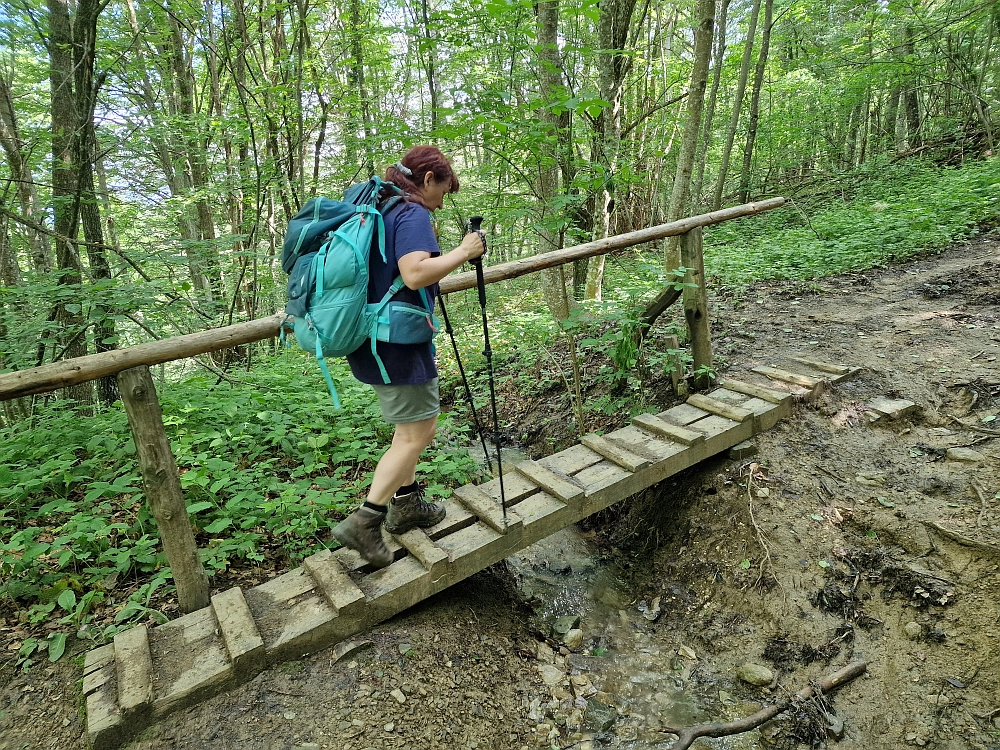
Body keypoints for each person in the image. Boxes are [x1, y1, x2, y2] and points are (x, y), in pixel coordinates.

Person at [331, 146, 486, 568]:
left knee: (406, 428)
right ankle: (366, 519)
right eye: (443, 189)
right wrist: (464, 251)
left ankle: (407, 503)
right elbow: (415, 273)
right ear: (428, 179)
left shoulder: (375, 209)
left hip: (370, 339)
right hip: (397, 343)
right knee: (417, 434)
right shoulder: (412, 213)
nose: (442, 200)